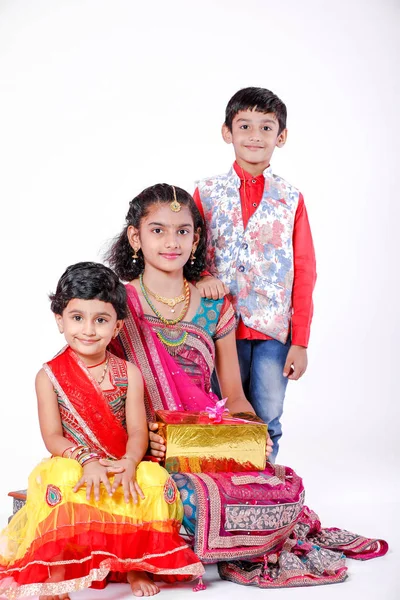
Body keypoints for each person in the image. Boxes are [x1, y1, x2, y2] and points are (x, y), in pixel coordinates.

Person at [107, 184, 387, 589]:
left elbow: (233, 396)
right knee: (186, 496)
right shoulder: (116, 304)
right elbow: (103, 386)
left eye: (183, 231)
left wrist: (251, 434)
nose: (172, 242)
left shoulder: (214, 305)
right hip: (143, 447)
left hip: (204, 439)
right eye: (158, 230)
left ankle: (213, 540)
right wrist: (140, 437)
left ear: (196, 237)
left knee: (281, 488)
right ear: (136, 237)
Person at [0, 262, 203, 600]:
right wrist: (87, 462)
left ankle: (136, 565)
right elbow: (52, 436)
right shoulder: (49, 376)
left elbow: (137, 429)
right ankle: (58, 576)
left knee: (152, 480)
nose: (89, 330)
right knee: (61, 477)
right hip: (77, 464)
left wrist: (129, 461)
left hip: (118, 462)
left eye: (101, 320)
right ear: (59, 321)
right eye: (77, 318)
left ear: (117, 326)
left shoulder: (129, 373)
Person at [193, 87, 317, 461]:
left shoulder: (291, 198)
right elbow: (188, 249)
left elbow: (305, 269)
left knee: (267, 414)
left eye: (266, 128)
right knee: (218, 412)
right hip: (217, 324)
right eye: (244, 125)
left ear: (281, 137)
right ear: (227, 132)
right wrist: (200, 276)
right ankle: (222, 490)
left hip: (273, 330)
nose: (254, 136)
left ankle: (260, 490)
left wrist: (301, 340)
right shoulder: (206, 192)